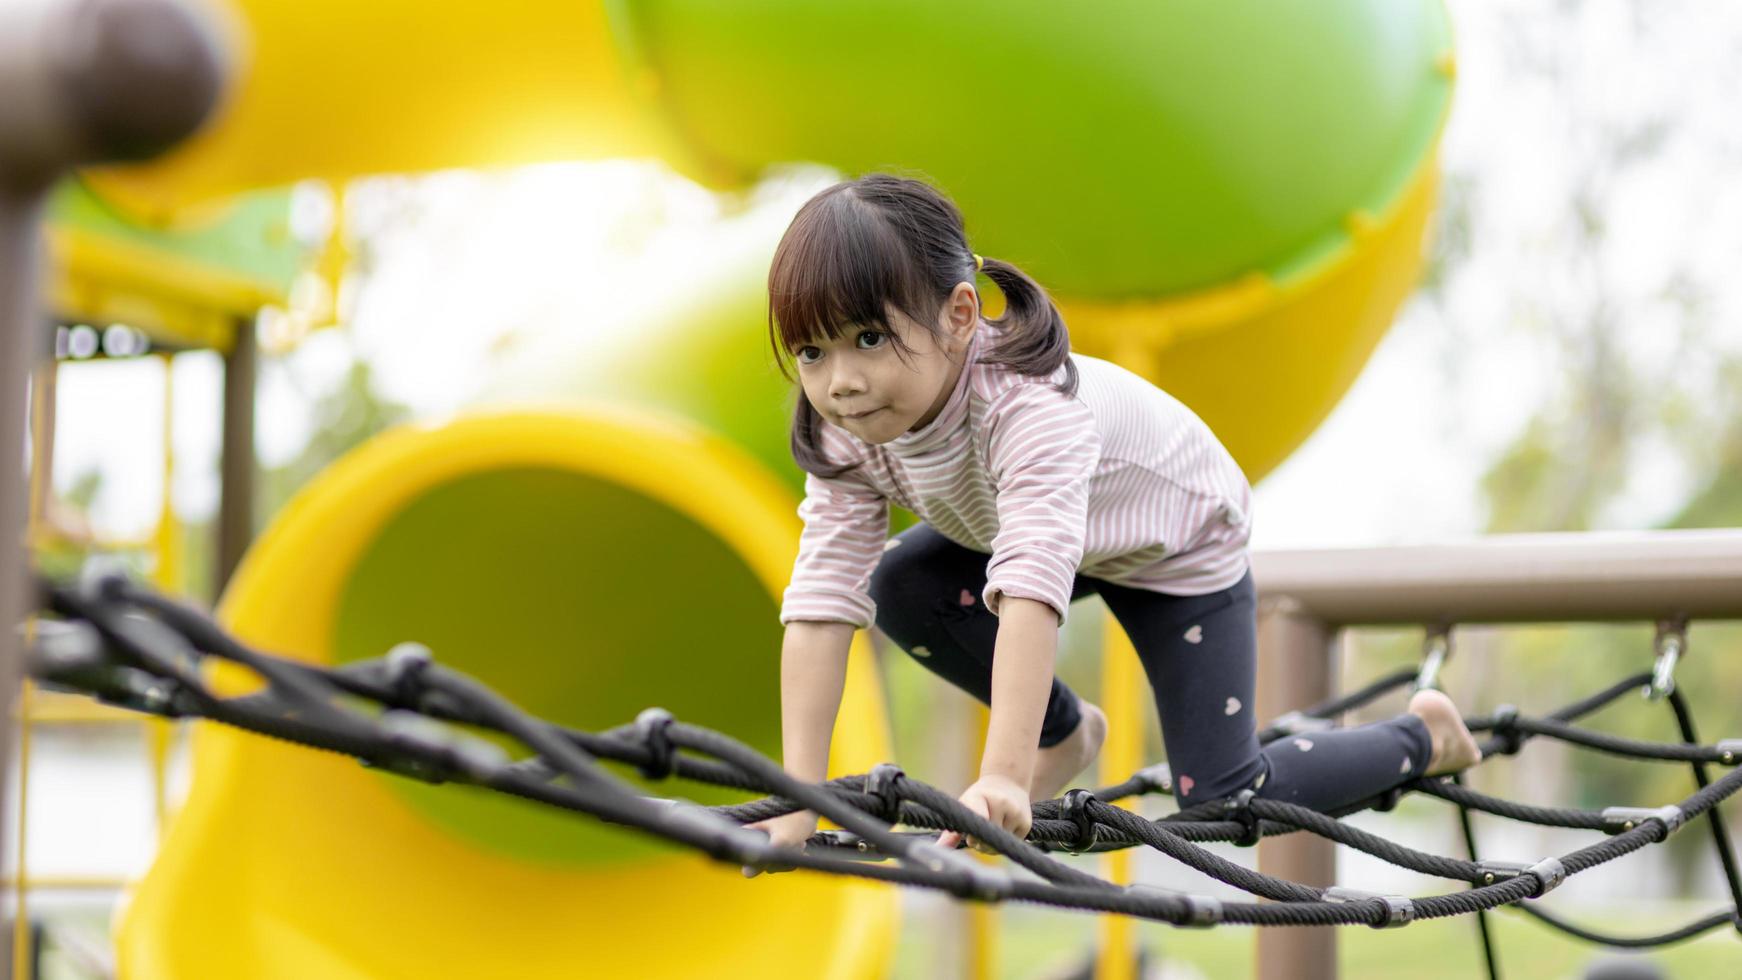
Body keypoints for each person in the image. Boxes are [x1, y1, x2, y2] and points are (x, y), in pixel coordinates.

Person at [752, 173, 1480, 855]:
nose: (841, 382)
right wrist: (799, 794)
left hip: (1173, 544)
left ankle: (1422, 737)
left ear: (960, 315)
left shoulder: (1028, 411)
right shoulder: (843, 428)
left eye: (869, 339)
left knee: (1226, 800)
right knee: (899, 585)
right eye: (811, 352)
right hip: (1031, 532)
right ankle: (1062, 736)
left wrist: (1001, 774)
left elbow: (1031, 589)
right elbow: (820, 605)